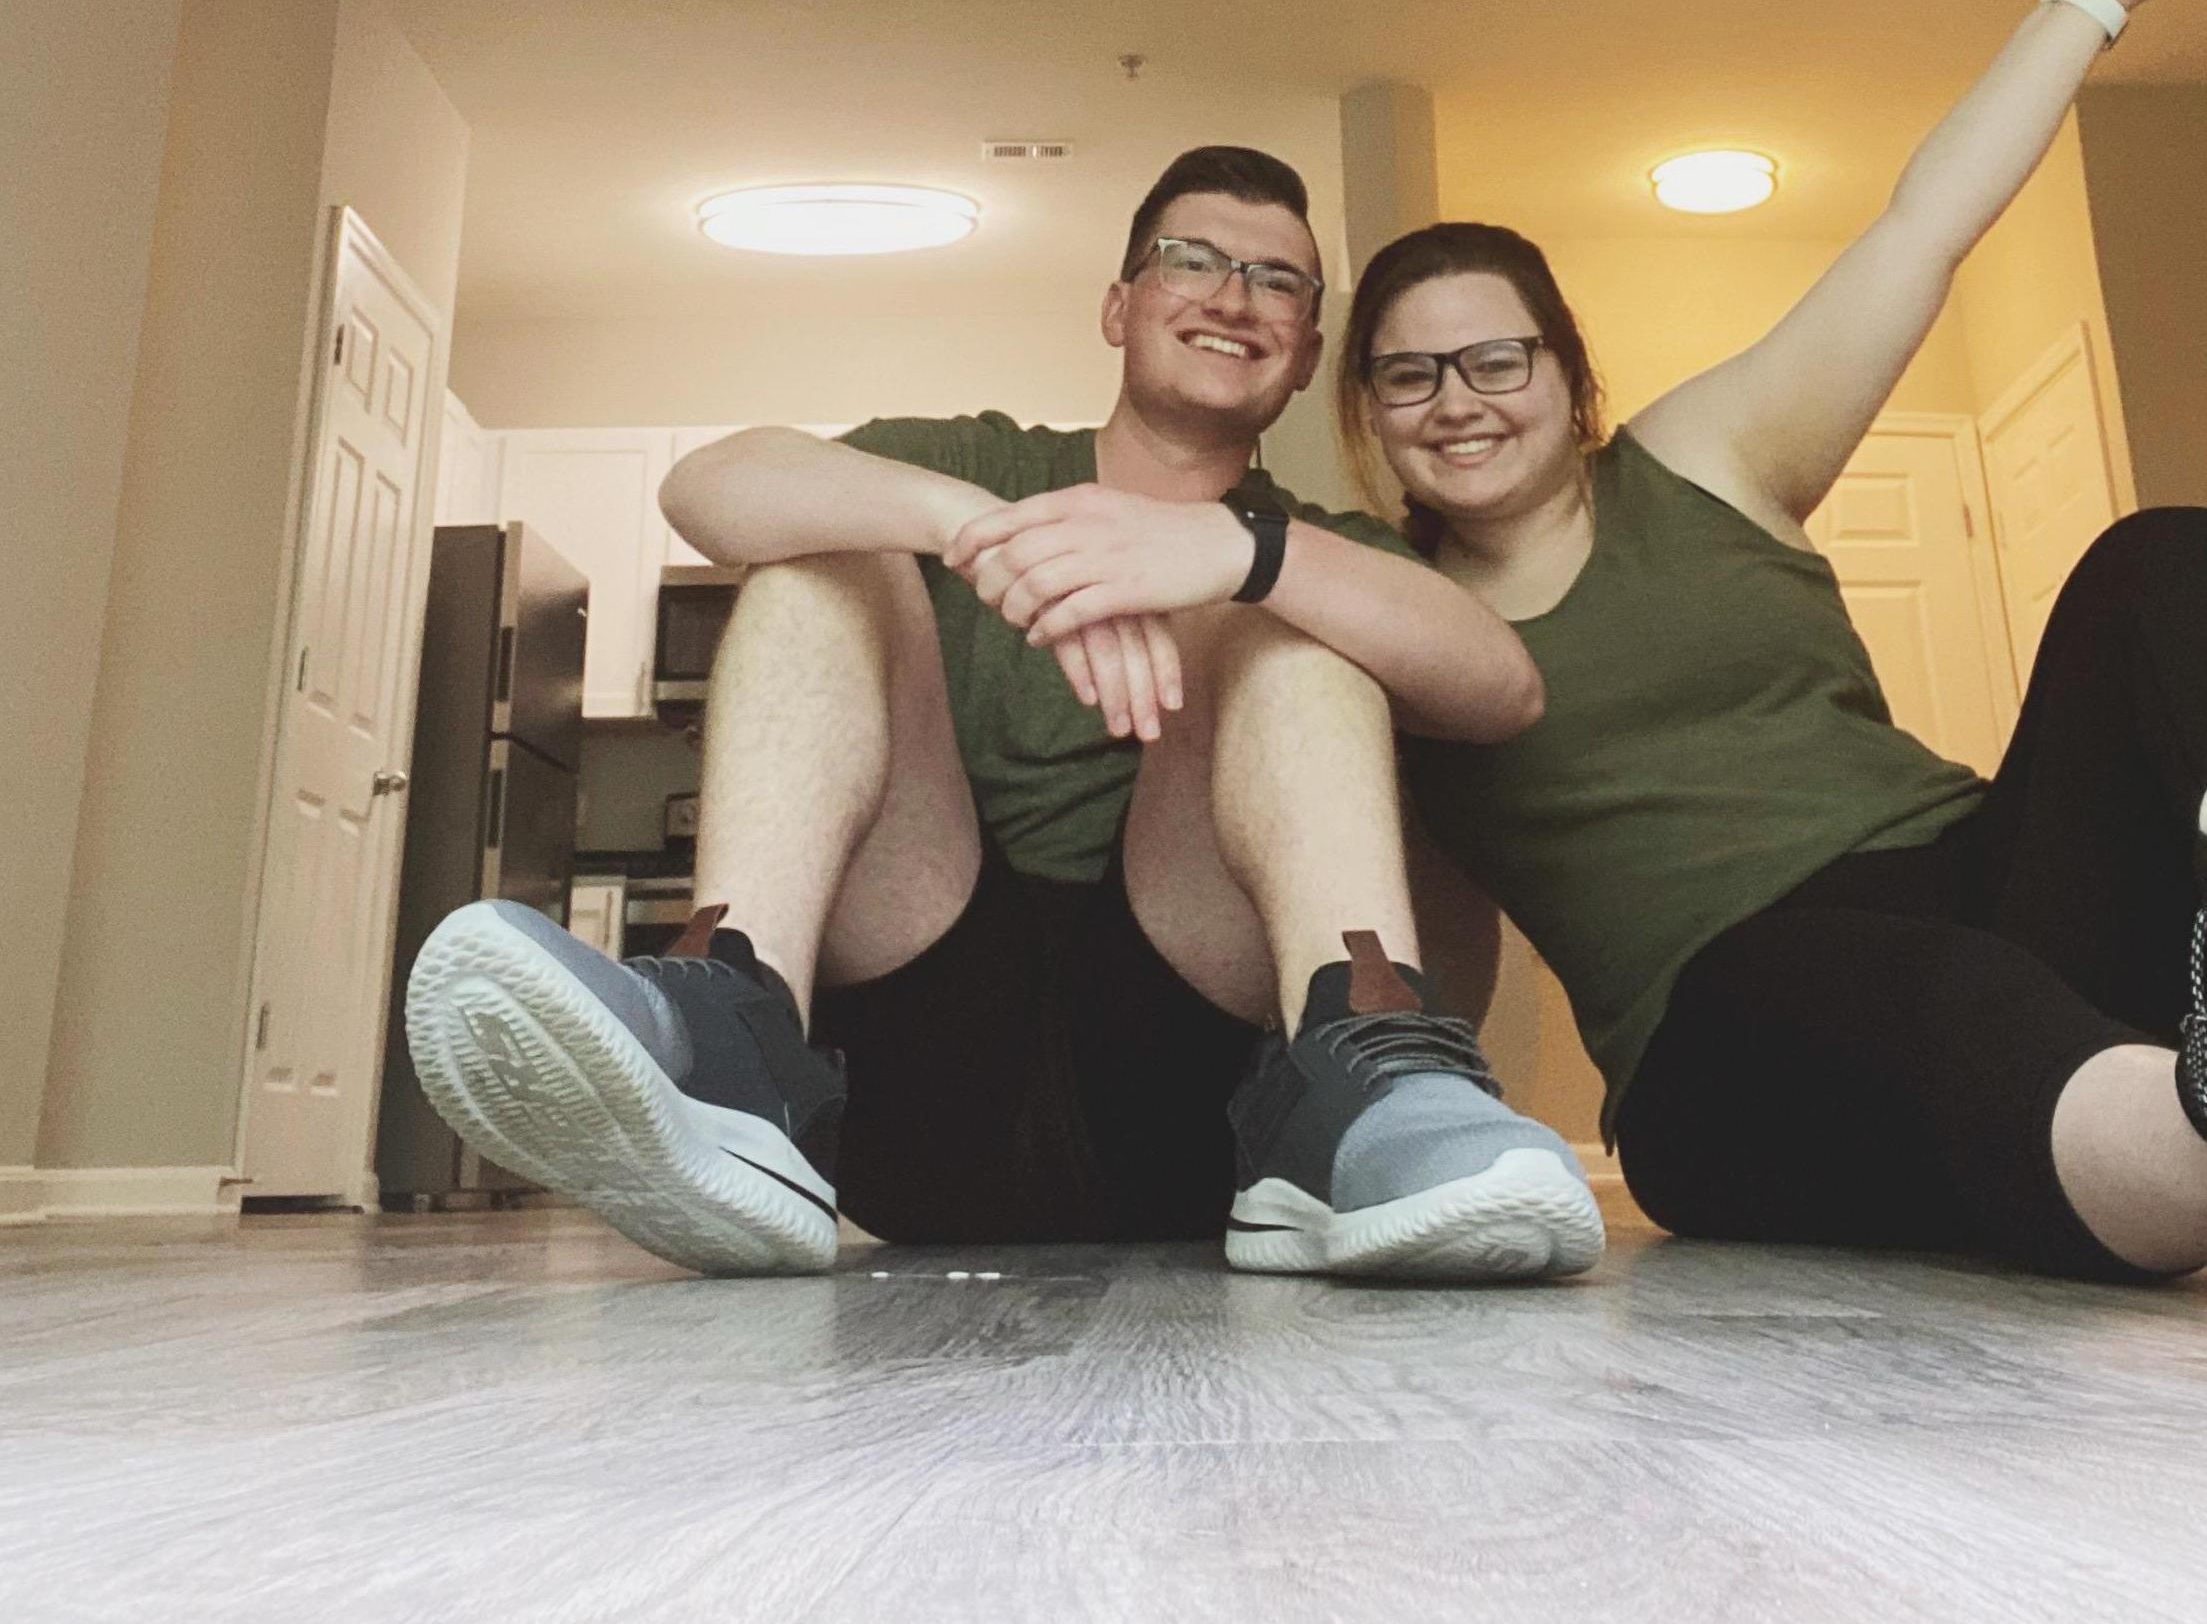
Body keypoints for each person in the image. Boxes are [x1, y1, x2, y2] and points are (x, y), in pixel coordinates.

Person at [1338, 0, 2207, 1317]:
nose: (1455, 399)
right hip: (1718, 1027)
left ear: (1568, 376)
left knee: (2176, 558)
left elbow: (1921, 228)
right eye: (1408, 374)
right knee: (1951, 998)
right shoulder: (1377, 606)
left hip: (1985, 883)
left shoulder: (1703, 457)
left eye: (1494, 358)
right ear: (1368, 414)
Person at [405, 145, 1605, 1285]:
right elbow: (705, 488)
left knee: (1296, 615)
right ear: (1119, 307)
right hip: (915, 1074)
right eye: (1191, 259)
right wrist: (975, 531)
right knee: (825, 553)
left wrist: (1239, 554)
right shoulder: (969, 462)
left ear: (1304, 356)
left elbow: (1502, 688)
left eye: (1276, 280)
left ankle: (1372, 1077)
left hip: (1205, 1104)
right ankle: (728, 1047)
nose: (1233, 295)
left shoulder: (1317, 544)